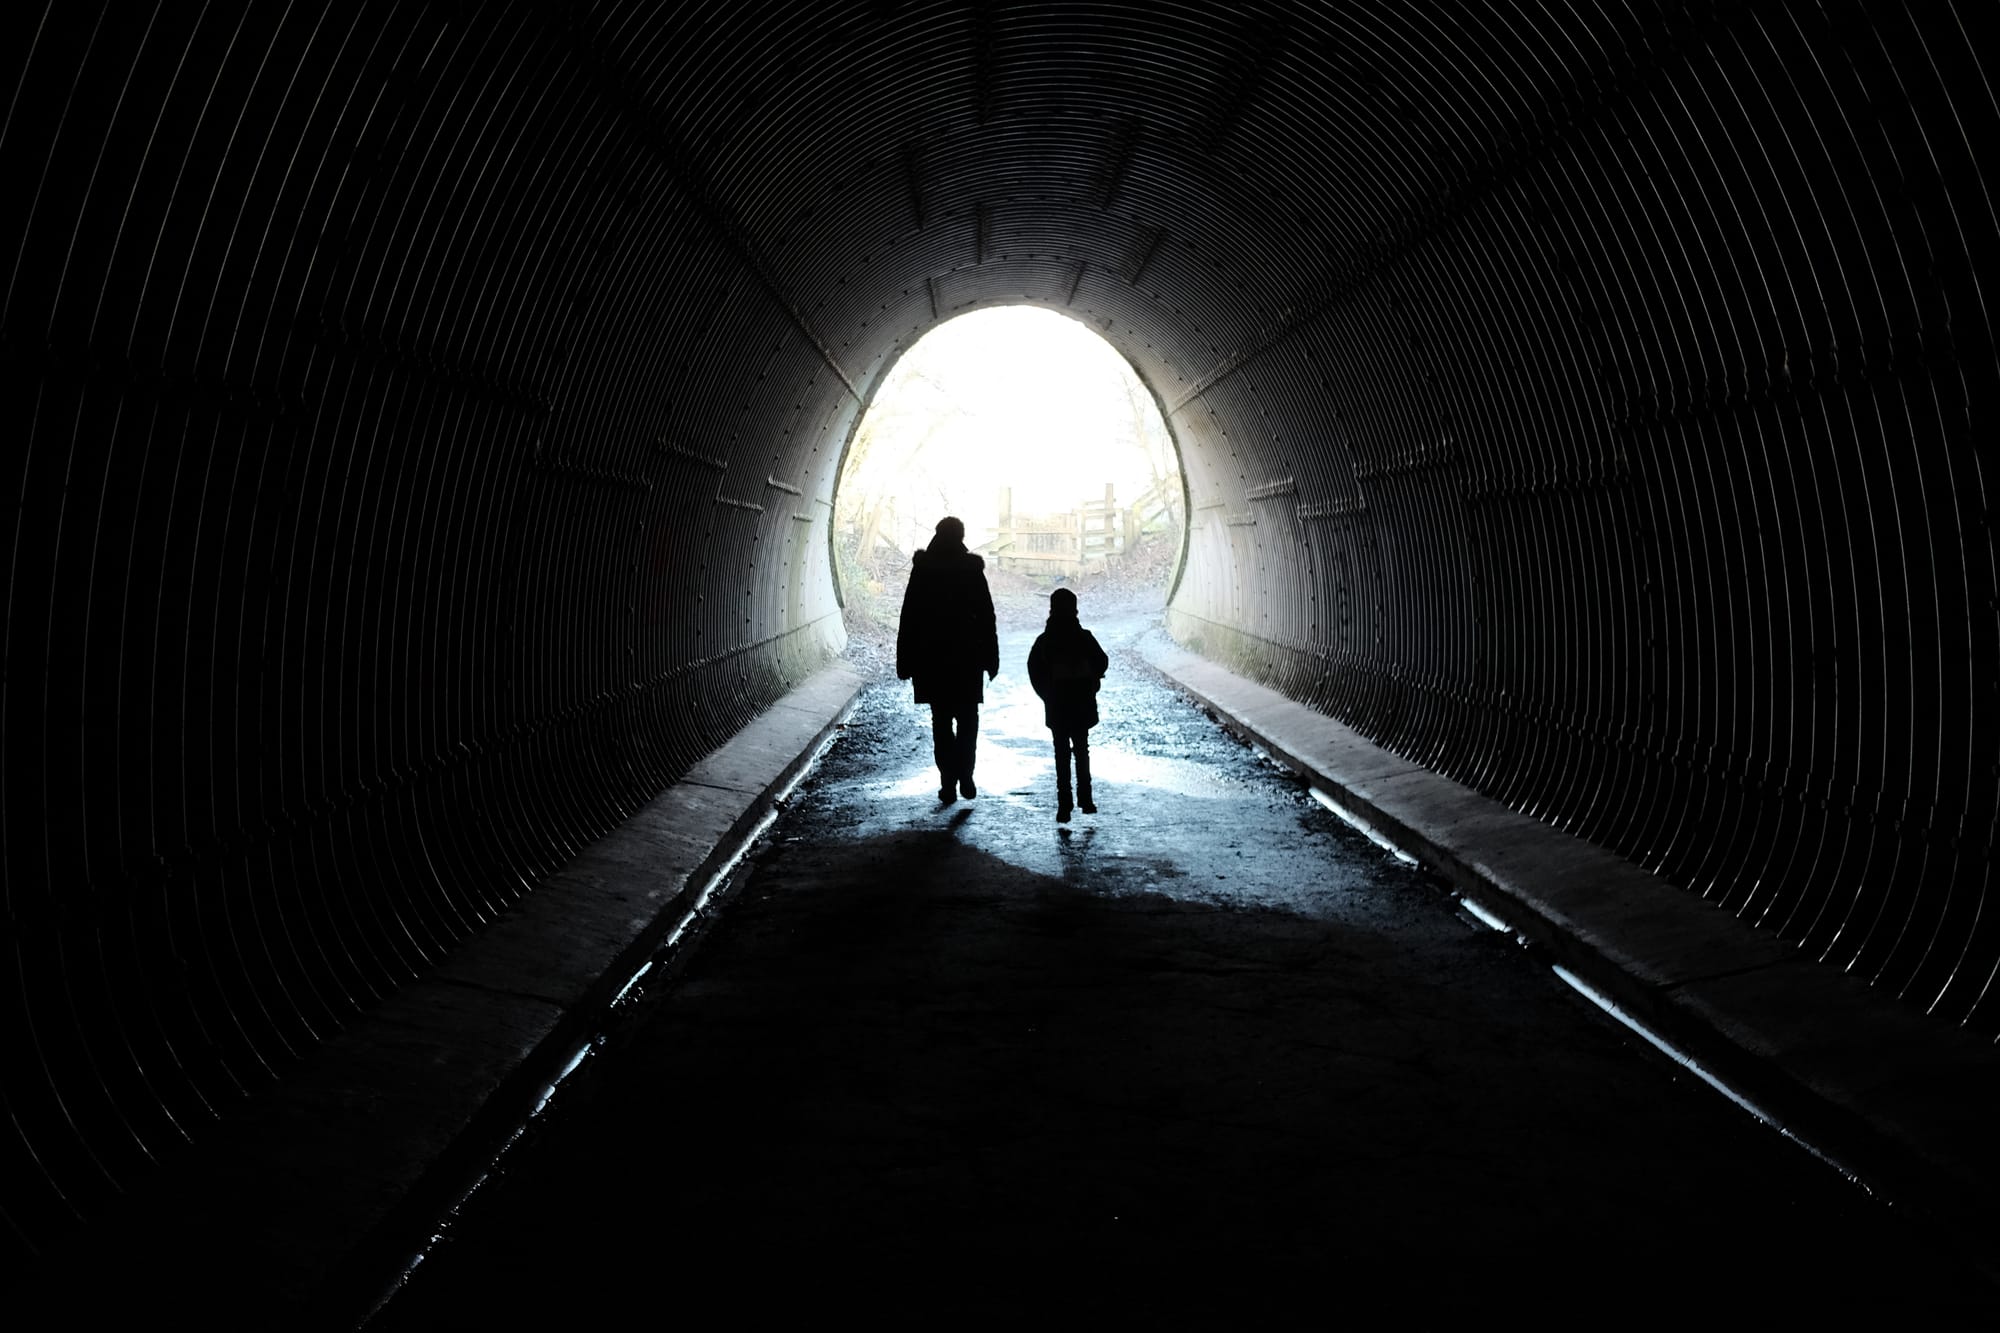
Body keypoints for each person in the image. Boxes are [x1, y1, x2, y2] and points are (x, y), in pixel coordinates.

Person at [896, 516, 999, 803]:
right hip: (967, 659)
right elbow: (986, 616)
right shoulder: (971, 569)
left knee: (941, 721)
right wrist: (991, 658)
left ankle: (948, 782)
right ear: (961, 537)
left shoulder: (923, 568)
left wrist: (905, 660)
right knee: (968, 720)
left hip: (932, 659)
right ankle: (965, 773)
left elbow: (909, 616)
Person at [1027, 586, 1109, 823]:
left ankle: (1064, 804)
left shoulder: (1044, 642)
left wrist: (1046, 694)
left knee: (1061, 753)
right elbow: (1102, 661)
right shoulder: (1084, 638)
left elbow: (1034, 670)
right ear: (1075, 610)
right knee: (1082, 750)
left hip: (1057, 705)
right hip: (1081, 703)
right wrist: (1091, 680)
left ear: (1051, 610)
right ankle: (1086, 798)